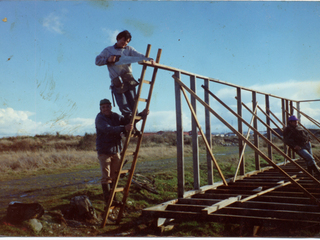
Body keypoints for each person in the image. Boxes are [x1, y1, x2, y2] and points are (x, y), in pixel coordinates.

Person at [95, 30, 152, 135]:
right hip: (117, 82)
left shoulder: (129, 49)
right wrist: (108, 59)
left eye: (127, 41)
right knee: (125, 108)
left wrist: (149, 59)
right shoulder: (108, 50)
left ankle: (134, 128)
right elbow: (97, 60)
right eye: (124, 40)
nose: (125, 43)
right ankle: (129, 130)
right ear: (118, 38)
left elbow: (139, 56)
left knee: (133, 106)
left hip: (128, 80)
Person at [95, 98, 133, 206]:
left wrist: (140, 115)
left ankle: (114, 199)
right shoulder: (99, 118)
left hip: (116, 151)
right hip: (104, 151)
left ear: (111, 107)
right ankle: (108, 201)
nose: (106, 109)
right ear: (100, 109)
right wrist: (123, 128)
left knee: (114, 176)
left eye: (107, 106)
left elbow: (127, 122)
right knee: (106, 177)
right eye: (103, 107)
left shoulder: (115, 116)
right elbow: (108, 129)